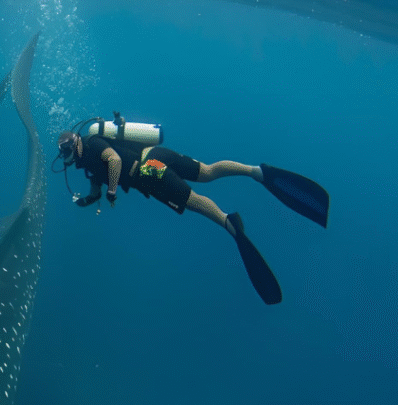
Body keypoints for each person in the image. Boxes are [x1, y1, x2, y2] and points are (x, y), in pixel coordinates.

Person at [55, 117, 330, 305]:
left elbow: (114, 161)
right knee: (208, 172)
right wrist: (87, 201)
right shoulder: (88, 164)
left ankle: (228, 224)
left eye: (68, 153)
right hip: (156, 154)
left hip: (149, 170)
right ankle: (256, 172)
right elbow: (95, 190)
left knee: (194, 201)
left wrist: (113, 190)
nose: (69, 159)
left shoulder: (93, 145)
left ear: (75, 144)